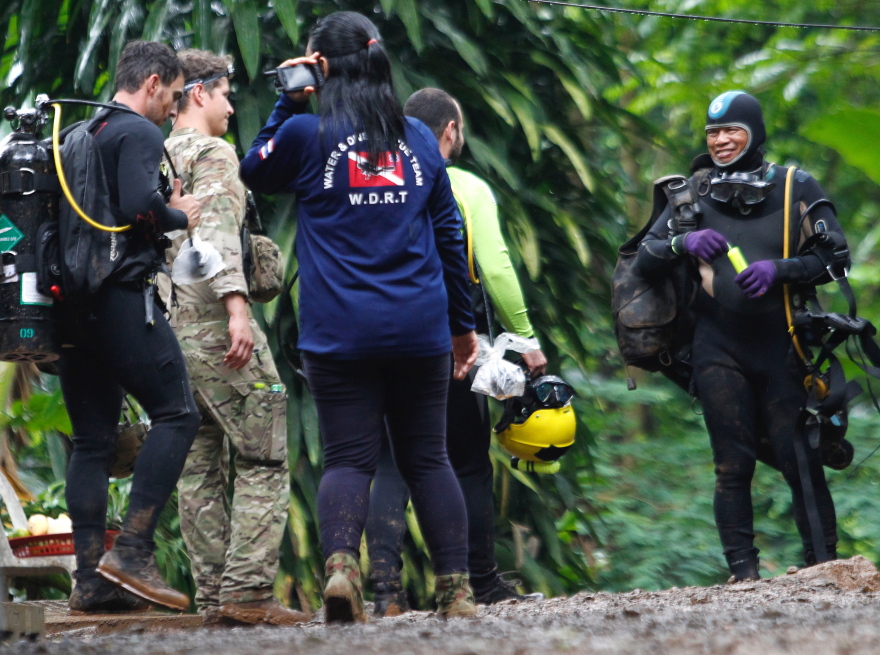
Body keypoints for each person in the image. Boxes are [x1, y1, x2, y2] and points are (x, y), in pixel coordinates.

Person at [240, 11, 479, 621]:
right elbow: (450, 235)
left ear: (317, 67)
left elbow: (252, 168)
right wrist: (462, 326)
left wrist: (289, 100)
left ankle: (343, 571)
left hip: (338, 331)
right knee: (428, 458)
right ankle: (457, 591)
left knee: (349, 458)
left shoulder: (305, 136)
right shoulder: (420, 139)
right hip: (419, 327)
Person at [634, 91, 846, 581]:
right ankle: (744, 575)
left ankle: (827, 567)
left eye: (732, 131)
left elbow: (836, 259)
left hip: (783, 344)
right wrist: (682, 240)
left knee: (800, 458)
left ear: (754, 133)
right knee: (732, 465)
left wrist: (781, 270)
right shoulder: (692, 194)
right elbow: (645, 258)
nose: (721, 140)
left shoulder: (796, 186)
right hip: (717, 347)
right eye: (713, 133)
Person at [365, 88, 547, 616]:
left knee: (389, 461)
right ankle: (479, 583)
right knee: (466, 461)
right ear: (449, 130)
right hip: (446, 335)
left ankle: (385, 593)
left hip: (372, 333)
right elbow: (493, 266)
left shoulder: (374, 179)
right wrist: (526, 338)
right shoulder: (462, 184)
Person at [162, 49, 307, 627]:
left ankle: (213, 598)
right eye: (224, 94)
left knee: (197, 468)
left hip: (166, 336)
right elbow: (218, 236)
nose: (229, 106)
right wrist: (238, 311)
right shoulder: (214, 154)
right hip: (218, 329)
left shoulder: (155, 153)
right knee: (264, 453)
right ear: (199, 93)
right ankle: (246, 593)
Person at [61, 40, 202, 613]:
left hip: (71, 308)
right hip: (120, 298)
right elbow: (142, 207)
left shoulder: (79, 133)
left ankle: (91, 580)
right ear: (151, 84)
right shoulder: (138, 133)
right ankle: (134, 550)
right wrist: (180, 215)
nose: (172, 108)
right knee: (178, 413)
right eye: (171, 95)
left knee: (92, 442)